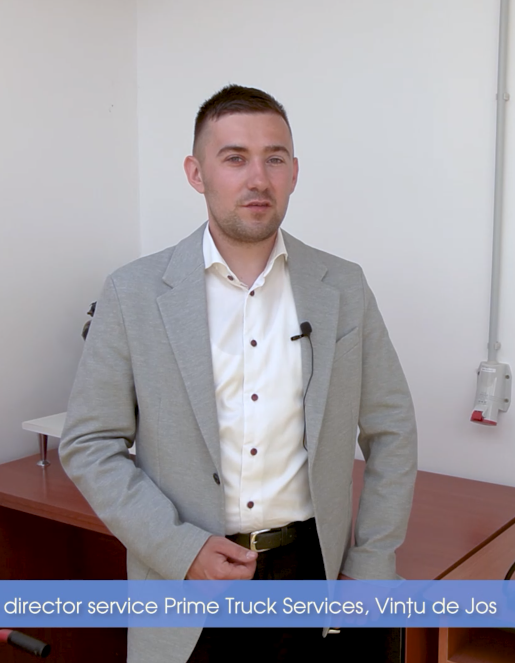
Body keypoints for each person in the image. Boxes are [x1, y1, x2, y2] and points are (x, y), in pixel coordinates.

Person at [58, 84, 418, 662]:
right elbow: (90, 442)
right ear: (196, 173)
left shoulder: (343, 286)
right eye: (234, 158)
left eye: (274, 158)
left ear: (294, 172)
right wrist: (179, 550)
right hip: (187, 577)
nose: (258, 179)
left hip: (312, 574)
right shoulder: (133, 292)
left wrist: (372, 564)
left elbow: (392, 428)